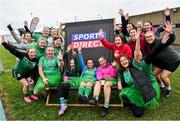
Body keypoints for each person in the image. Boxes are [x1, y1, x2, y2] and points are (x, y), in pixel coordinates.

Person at [118, 31, 160, 117]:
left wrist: (137, 40)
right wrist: (119, 81)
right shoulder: (122, 71)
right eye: (121, 61)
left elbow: (137, 54)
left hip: (142, 90)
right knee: (125, 94)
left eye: (125, 59)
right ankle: (133, 102)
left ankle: (139, 103)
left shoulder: (135, 66)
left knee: (138, 114)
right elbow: (119, 76)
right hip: (133, 91)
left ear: (129, 60)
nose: (123, 61)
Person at [144, 21, 180, 97]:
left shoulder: (160, 40)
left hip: (172, 61)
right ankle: (161, 86)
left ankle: (168, 89)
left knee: (163, 76)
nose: (149, 38)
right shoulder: (147, 45)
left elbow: (171, 39)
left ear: (154, 36)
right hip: (159, 62)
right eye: (147, 37)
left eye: (150, 36)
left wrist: (171, 33)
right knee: (154, 74)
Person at [1, 36, 39, 103]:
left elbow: (34, 70)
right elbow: (13, 50)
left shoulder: (36, 60)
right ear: (28, 53)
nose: (33, 54)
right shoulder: (23, 55)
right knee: (26, 84)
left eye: (34, 52)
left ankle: (32, 94)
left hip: (27, 73)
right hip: (18, 72)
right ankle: (26, 96)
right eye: (31, 52)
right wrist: (4, 43)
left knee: (31, 82)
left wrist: (32, 78)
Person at [57, 47, 81, 116]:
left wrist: (74, 56)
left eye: (73, 63)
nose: (72, 64)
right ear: (70, 64)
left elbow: (78, 63)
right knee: (61, 85)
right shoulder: (67, 69)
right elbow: (62, 60)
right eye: (71, 63)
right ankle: (63, 104)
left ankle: (63, 105)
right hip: (67, 82)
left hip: (74, 82)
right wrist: (67, 51)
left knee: (66, 85)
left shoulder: (77, 69)